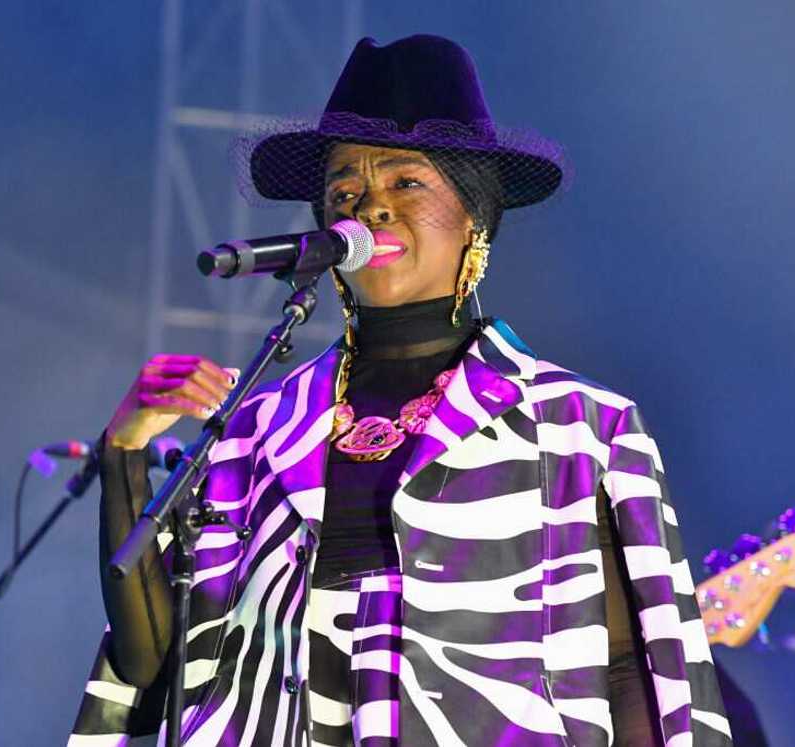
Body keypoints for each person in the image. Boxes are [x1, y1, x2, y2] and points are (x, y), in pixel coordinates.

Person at [69, 35, 733, 746]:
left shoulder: (580, 429)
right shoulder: (257, 428)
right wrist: (125, 452)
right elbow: (152, 663)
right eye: (345, 189)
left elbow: (633, 673)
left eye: (405, 182)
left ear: (475, 217)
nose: (371, 206)